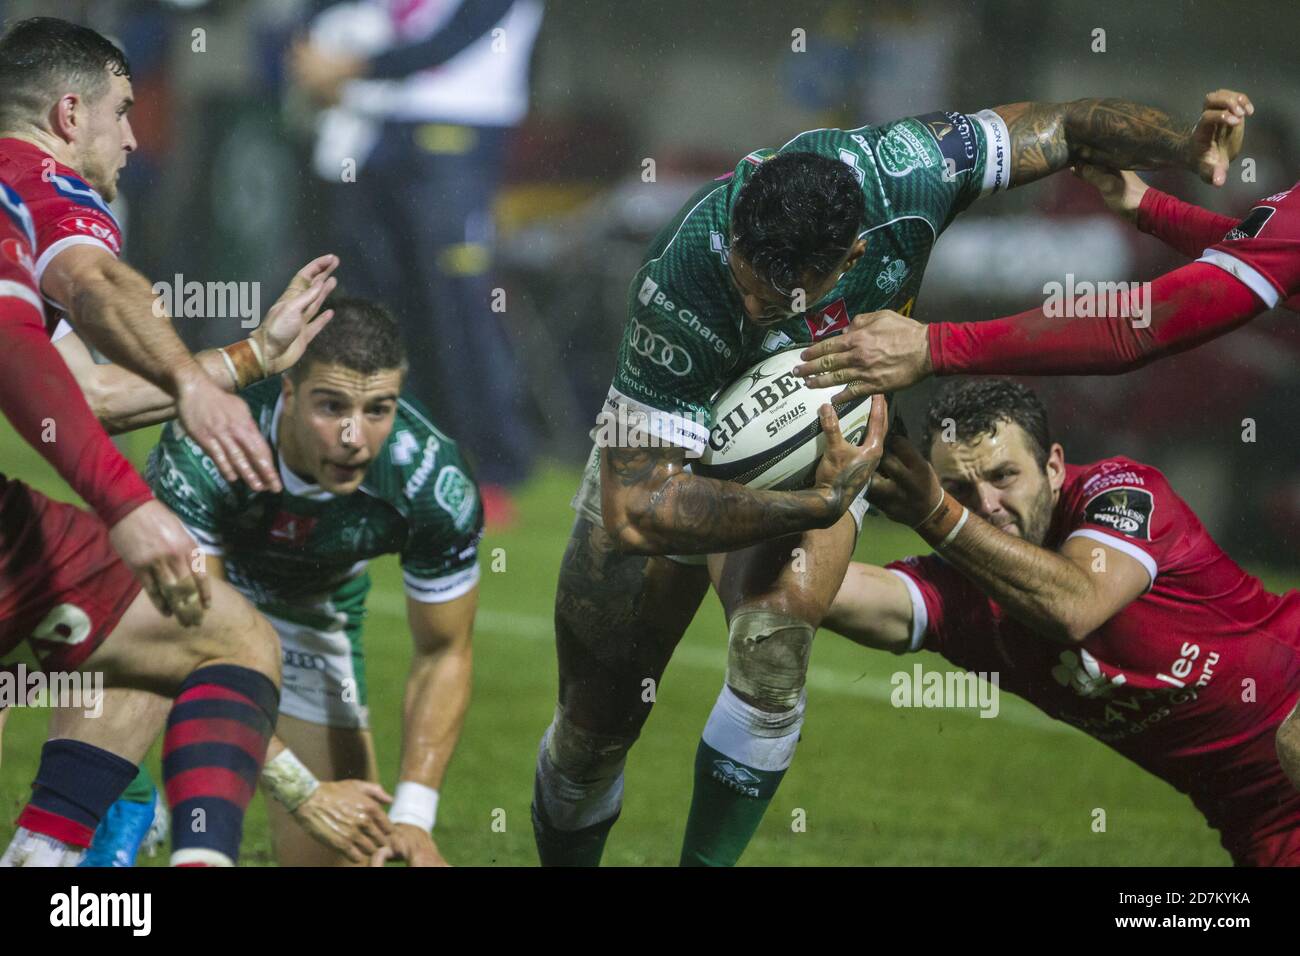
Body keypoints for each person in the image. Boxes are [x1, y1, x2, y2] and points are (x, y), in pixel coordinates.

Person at [533, 85, 1255, 867]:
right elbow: (640, 509)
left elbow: (1068, 122)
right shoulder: (679, 281)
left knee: (773, 656)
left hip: (823, 442)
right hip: (669, 460)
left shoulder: (910, 174)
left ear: (850, 260)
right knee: (593, 732)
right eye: (744, 281)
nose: (751, 303)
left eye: (772, 298)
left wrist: (1184, 146)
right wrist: (816, 503)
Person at [0, 17, 334, 867]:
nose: (136, 136)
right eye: (124, 110)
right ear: (70, 115)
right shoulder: (35, 178)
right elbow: (95, 283)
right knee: (223, 634)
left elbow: (84, 393)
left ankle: (49, 858)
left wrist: (252, 357)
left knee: (172, 619)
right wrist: (131, 496)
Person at [823, 378, 1300, 866]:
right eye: (960, 489)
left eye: (1004, 476)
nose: (986, 504)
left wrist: (938, 515)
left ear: (1053, 467)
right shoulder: (959, 595)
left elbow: (1075, 607)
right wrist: (812, 501)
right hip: (1260, 820)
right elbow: (821, 592)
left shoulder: (1120, 494)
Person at [137, 296, 481, 867]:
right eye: (332, 406)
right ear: (290, 393)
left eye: (378, 409)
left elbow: (444, 651)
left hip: (305, 616)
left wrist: (413, 817)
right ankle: (132, 794)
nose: (354, 437)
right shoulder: (213, 438)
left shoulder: (430, 476)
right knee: (94, 810)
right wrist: (301, 789)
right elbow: (195, 640)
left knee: (349, 850)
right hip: (168, 610)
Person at [289, 0, 545, 523]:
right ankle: (397, 447)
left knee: (458, 305)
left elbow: (452, 38)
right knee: (379, 299)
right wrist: (311, 48)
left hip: (460, 132)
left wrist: (351, 66)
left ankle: (494, 464)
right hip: (382, 129)